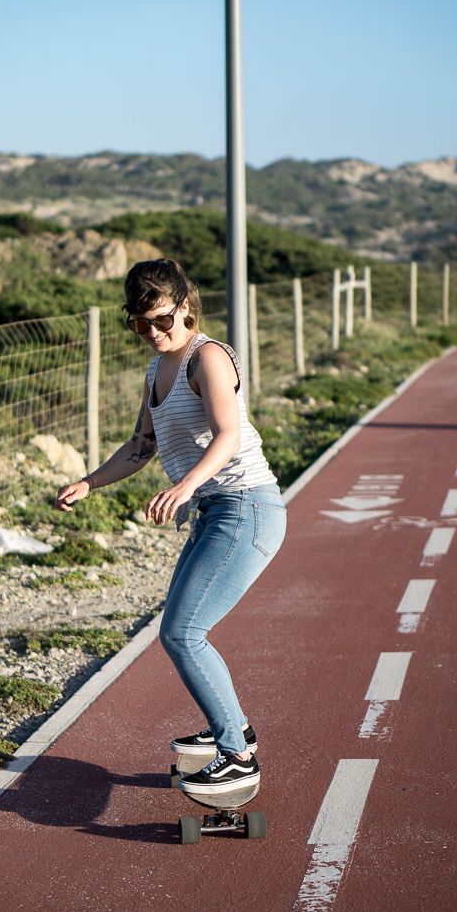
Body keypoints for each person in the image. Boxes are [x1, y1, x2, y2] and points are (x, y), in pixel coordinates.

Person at [54, 257, 286, 797]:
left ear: (185, 307)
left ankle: (238, 753)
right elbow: (142, 445)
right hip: (213, 511)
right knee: (181, 631)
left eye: (162, 321)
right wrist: (90, 482)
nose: (154, 333)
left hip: (246, 505)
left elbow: (228, 434)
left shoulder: (207, 358)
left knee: (183, 632)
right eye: (141, 325)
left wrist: (184, 486)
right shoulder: (156, 370)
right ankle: (234, 728)